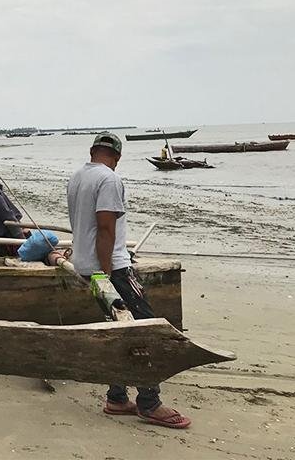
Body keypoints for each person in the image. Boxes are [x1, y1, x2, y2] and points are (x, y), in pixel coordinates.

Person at [67, 132, 191, 429]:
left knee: (118, 329)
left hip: (85, 266)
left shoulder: (77, 176)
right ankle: (150, 403)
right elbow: (106, 227)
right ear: (118, 157)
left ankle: (117, 397)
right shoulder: (109, 180)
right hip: (111, 269)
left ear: (92, 151)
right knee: (145, 330)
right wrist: (109, 271)